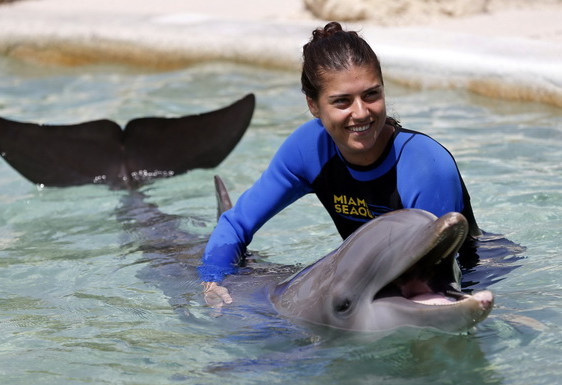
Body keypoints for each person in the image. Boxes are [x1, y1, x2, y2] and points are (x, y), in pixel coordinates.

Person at [199, 21, 480, 308]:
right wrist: (213, 281)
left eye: (371, 94)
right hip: (374, 284)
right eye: (342, 101)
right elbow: (236, 225)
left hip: (469, 277)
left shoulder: (425, 164)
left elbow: (437, 269)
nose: (360, 113)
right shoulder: (309, 149)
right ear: (313, 105)